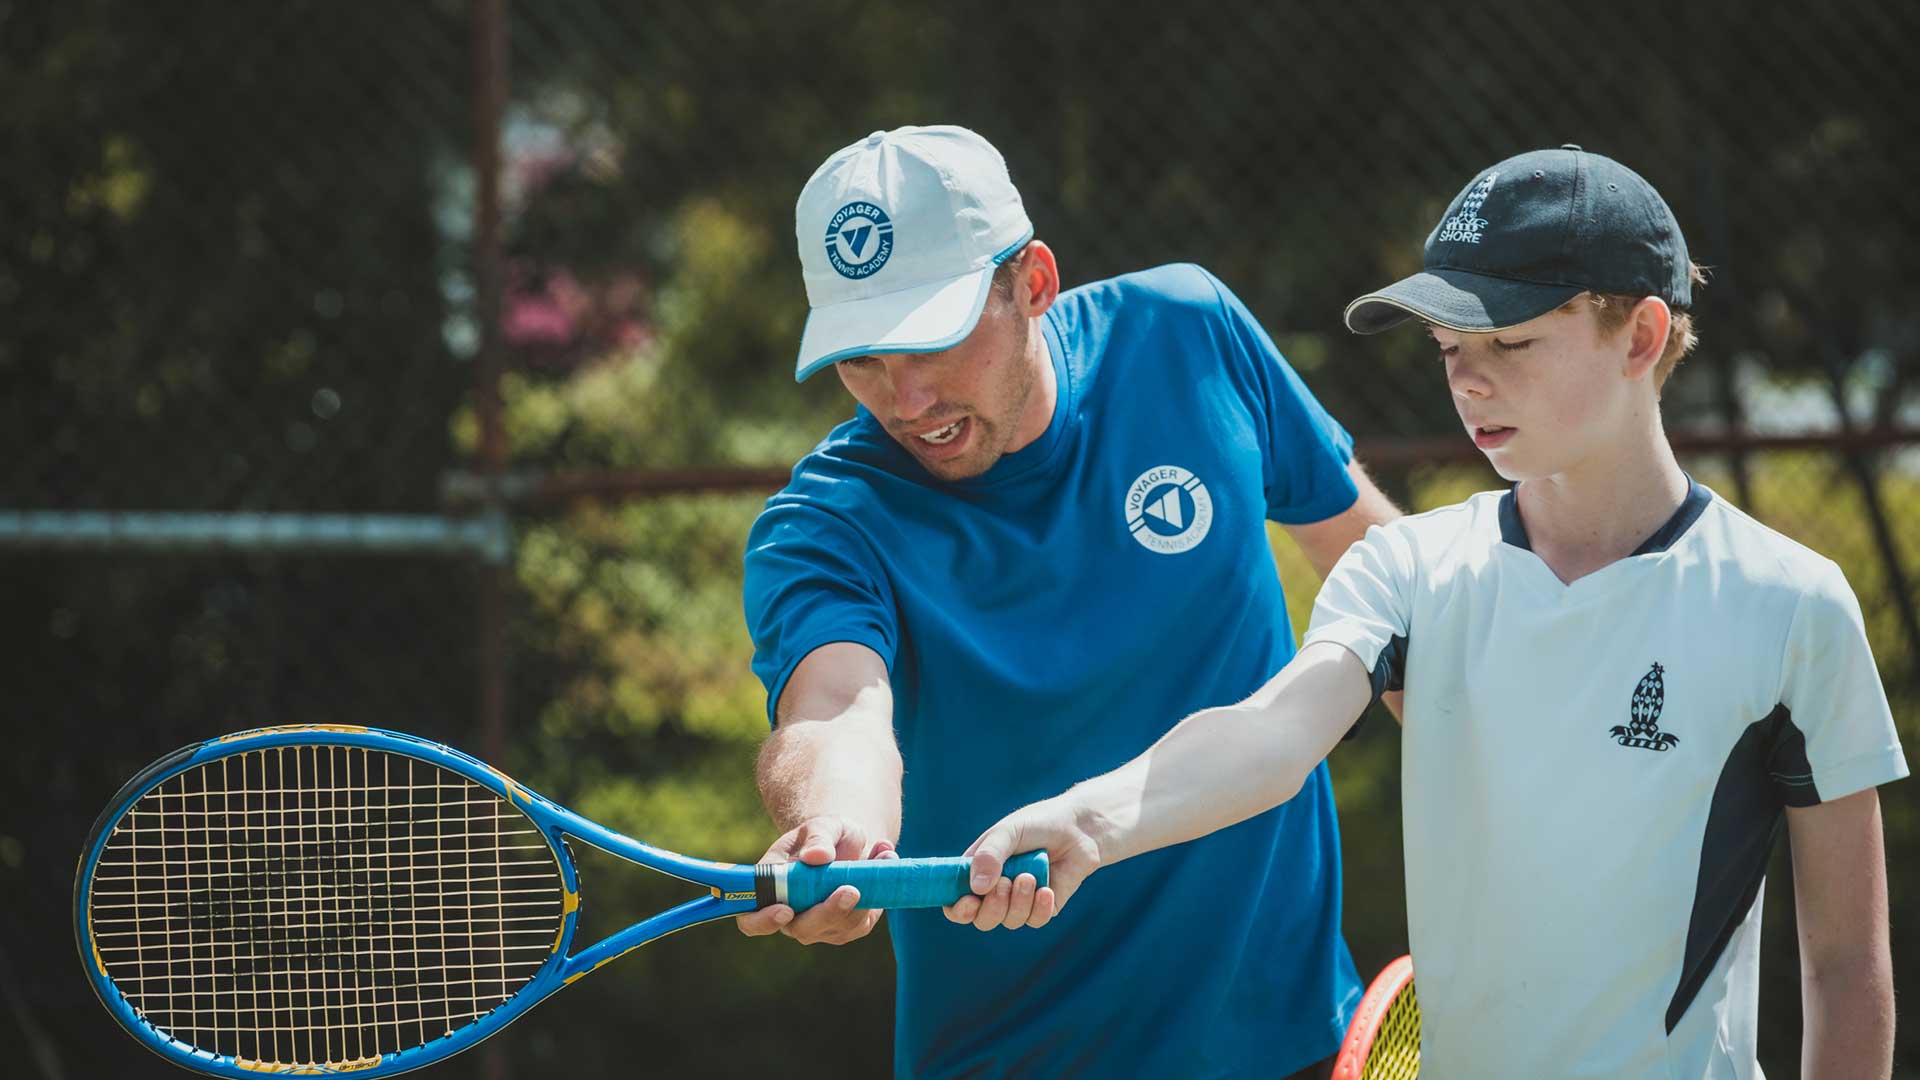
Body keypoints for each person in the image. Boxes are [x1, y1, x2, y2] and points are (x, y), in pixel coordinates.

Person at [954, 145, 1908, 1079]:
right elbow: (1270, 735)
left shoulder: (1790, 603)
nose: (1468, 380)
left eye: (1511, 342)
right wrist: (1087, 823)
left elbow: (1845, 967)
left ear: (1643, 336)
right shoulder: (1409, 568)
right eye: (1453, 347)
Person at [736, 125, 1402, 1078]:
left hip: (1296, 1040)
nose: (905, 395)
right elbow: (839, 708)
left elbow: (1386, 578)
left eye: (933, 336)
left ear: (1034, 283)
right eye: (862, 359)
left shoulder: (1189, 330)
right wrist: (839, 828)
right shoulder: (824, 524)